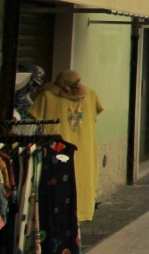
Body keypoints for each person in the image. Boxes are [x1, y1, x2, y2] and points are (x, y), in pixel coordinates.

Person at [29, 70, 104, 222]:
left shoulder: (47, 96)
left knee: (58, 189)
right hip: (83, 152)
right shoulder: (90, 96)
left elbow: (33, 117)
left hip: (57, 152)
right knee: (78, 183)